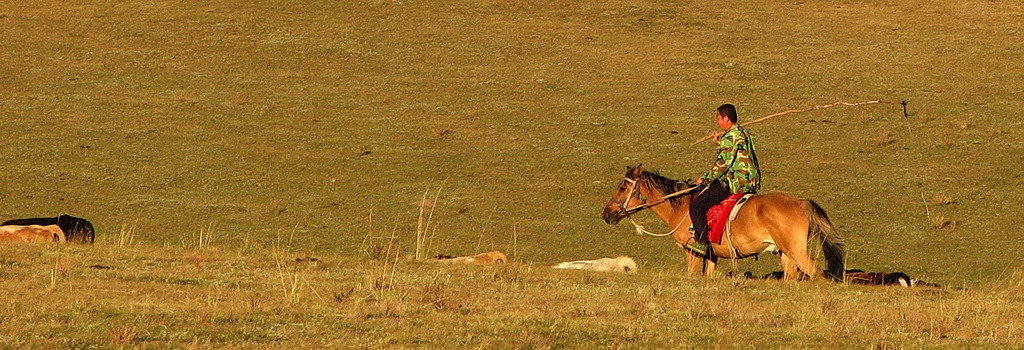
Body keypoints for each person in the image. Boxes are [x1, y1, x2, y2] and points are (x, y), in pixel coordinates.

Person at [684, 104, 761, 257]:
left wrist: (704, 179)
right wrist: (719, 143)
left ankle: (702, 243)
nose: (717, 121)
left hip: (735, 182)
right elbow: (735, 154)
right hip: (752, 180)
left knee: (697, 205)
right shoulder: (744, 132)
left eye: (718, 118)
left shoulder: (730, 137)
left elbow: (723, 164)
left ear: (726, 118)